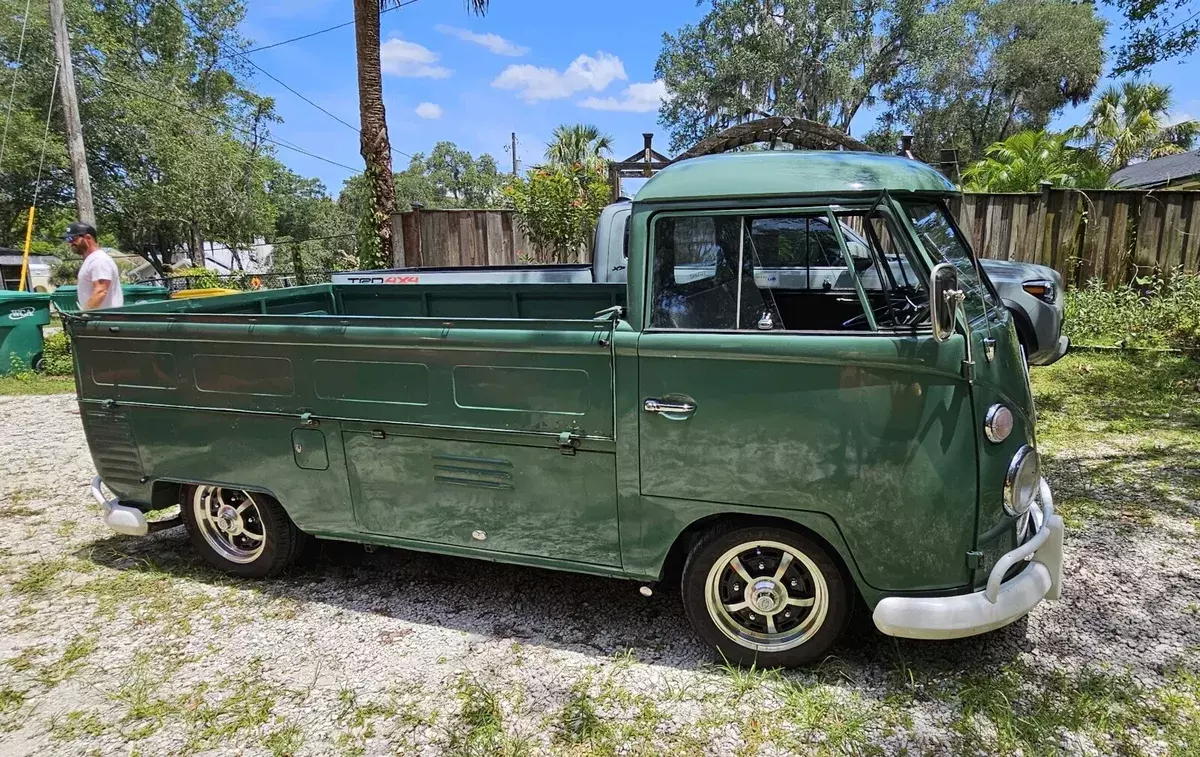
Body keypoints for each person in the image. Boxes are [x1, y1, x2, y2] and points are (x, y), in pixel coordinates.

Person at [66, 221, 124, 311]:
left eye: (72, 239)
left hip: (105, 319)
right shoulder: (92, 260)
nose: (70, 243)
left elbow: (100, 291)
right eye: (68, 240)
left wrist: (85, 314)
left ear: (88, 237)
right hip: (99, 319)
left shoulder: (99, 260)